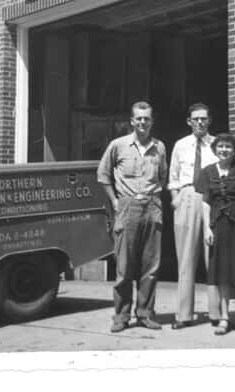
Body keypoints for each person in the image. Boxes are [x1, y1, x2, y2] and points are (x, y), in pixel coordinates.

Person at [97, 101, 168, 333]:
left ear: (152, 121)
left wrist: (154, 198)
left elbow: (163, 177)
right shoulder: (118, 145)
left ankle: (145, 313)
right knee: (125, 266)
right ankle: (121, 316)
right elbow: (103, 175)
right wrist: (116, 201)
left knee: (151, 266)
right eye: (138, 118)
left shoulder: (160, 147)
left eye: (146, 118)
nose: (143, 122)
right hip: (127, 207)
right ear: (132, 121)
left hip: (152, 206)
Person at [195, 133, 235, 336]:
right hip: (217, 226)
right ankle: (224, 317)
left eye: (228, 147)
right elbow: (205, 201)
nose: (224, 150)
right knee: (220, 272)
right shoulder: (207, 172)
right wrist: (207, 228)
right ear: (215, 149)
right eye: (220, 146)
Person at [168, 103, 222, 329]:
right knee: (186, 257)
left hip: (212, 198)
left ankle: (217, 313)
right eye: (195, 119)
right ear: (189, 121)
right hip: (187, 195)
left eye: (203, 119)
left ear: (209, 121)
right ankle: (183, 314)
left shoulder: (218, 144)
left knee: (214, 256)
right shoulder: (180, 145)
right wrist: (175, 198)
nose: (200, 122)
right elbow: (173, 176)